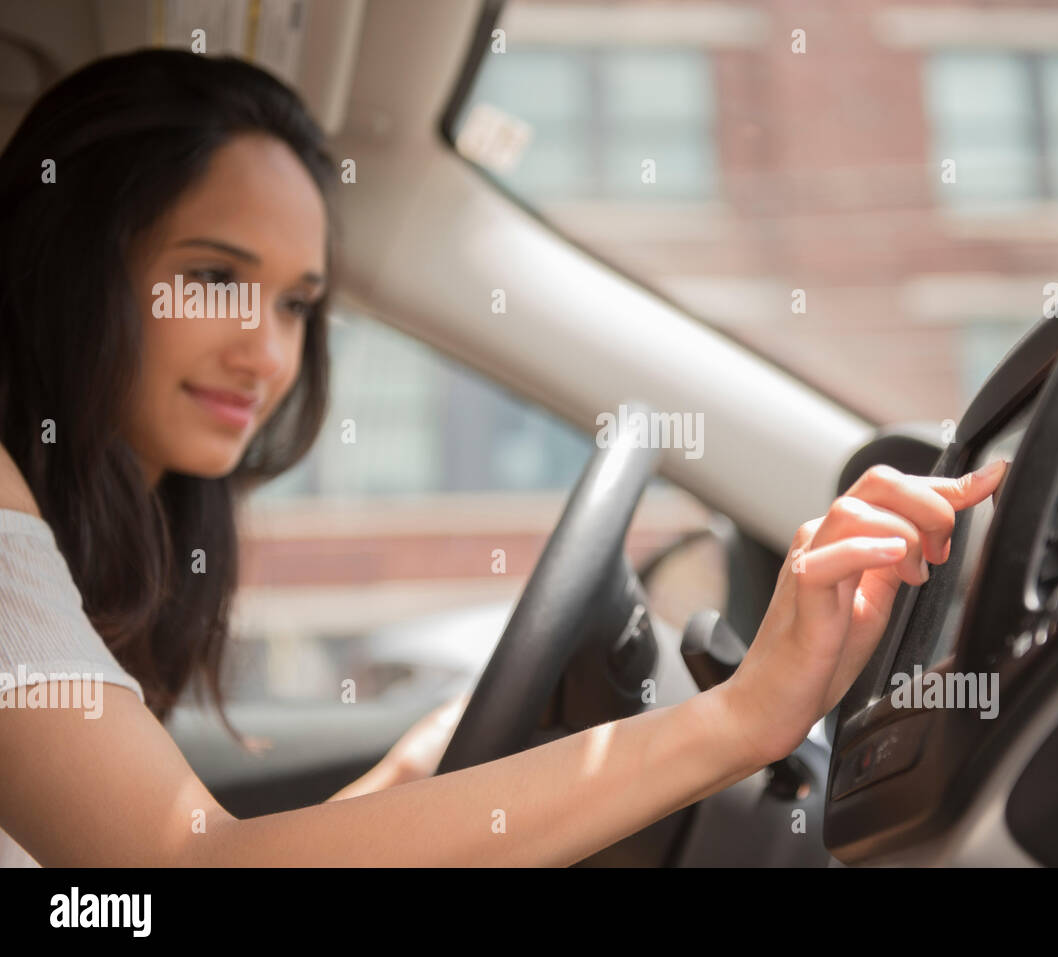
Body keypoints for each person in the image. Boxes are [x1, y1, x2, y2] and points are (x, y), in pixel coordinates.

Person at [0, 48, 1006, 866]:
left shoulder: (109, 551)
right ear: (74, 267)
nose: (266, 352)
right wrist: (743, 719)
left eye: (299, 303)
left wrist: (410, 777)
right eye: (214, 277)